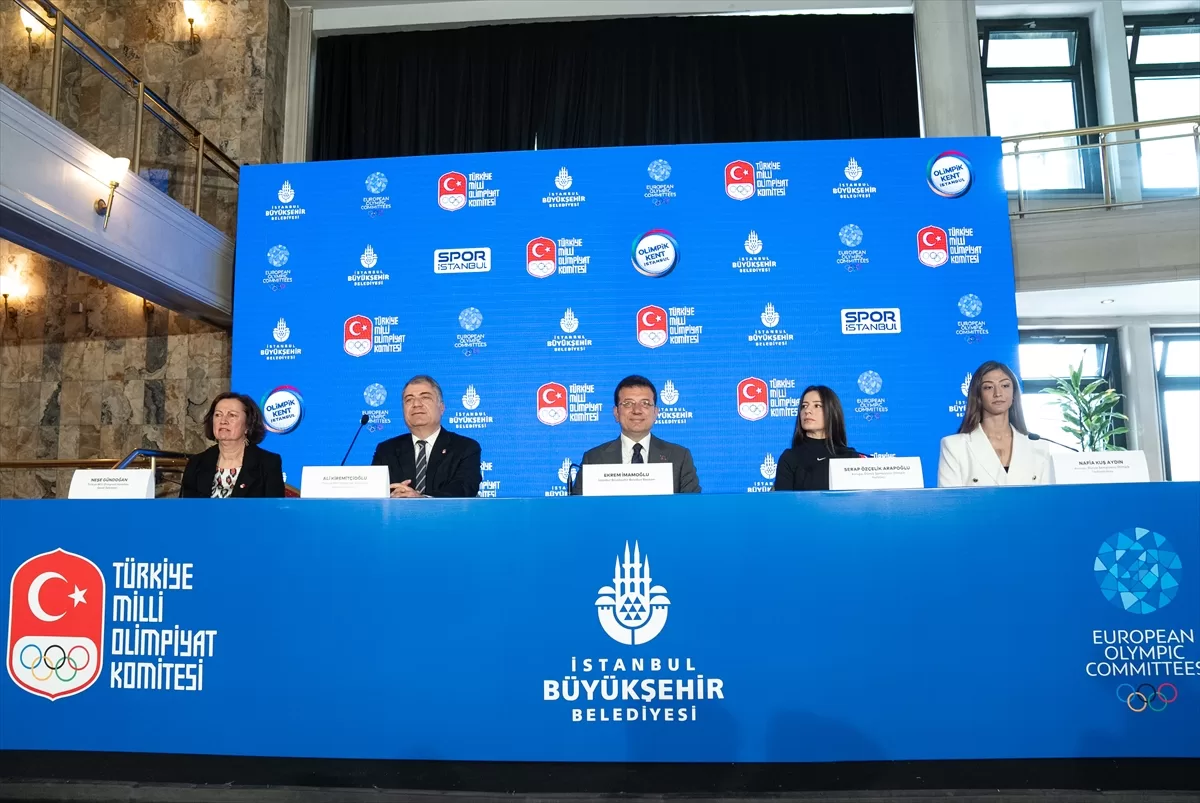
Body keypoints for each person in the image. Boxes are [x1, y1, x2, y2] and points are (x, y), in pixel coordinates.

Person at [572, 375, 700, 494]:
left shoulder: (679, 457)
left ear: (655, 412)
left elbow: (692, 506)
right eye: (628, 403)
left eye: (645, 403)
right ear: (616, 413)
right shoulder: (593, 459)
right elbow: (578, 508)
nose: (637, 410)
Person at [937, 360, 1052, 487]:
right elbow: (951, 499)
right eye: (988, 387)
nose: (998, 393)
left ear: (1014, 393)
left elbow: (1048, 497)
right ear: (978, 395)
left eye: (1005, 385)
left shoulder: (1038, 447)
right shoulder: (955, 446)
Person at [371, 375, 481, 498]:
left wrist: (422, 499)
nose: (416, 404)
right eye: (409, 399)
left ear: (441, 408)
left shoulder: (465, 448)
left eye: (425, 397)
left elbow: (464, 489)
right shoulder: (386, 450)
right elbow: (373, 494)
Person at [179, 392, 285, 498]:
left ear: (248, 425)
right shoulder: (196, 463)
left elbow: (274, 508)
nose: (223, 421)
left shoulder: (267, 463)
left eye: (232, 415)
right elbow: (184, 507)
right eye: (218, 415)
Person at [773, 385, 863, 491]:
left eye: (817, 405)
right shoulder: (789, 458)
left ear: (832, 412)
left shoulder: (849, 457)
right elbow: (783, 500)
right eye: (804, 406)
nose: (807, 411)